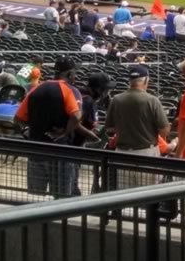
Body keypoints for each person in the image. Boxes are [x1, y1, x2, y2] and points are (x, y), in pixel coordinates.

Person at [14, 58, 87, 198]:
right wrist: (65, 132)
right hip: (60, 153)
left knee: (34, 198)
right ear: (70, 74)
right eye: (74, 73)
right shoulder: (70, 90)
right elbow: (77, 117)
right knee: (61, 198)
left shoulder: (36, 89)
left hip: (36, 150)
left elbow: (18, 119)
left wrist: (34, 128)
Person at [105, 65, 169, 177]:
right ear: (146, 81)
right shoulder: (152, 100)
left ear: (130, 81)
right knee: (148, 192)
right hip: (147, 154)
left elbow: (109, 128)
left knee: (125, 192)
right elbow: (164, 130)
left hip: (122, 153)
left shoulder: (116, 99)